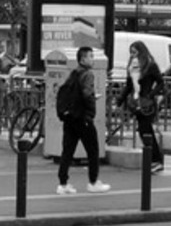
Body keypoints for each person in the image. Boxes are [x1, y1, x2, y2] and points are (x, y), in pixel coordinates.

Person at [56, 45, 109, 195]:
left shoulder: (73, 73)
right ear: (83, 59)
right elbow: (86, 94)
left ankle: (63, 183)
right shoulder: (88, 74)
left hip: (70, 117)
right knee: (93, 150)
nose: (93, 59)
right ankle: (93, 182)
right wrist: (90, 112)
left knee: (67, 151)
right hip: (82, 118)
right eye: (90, 56)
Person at [118, 39, 165, 174]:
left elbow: (161, 83)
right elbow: (128, 86)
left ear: (141, 51)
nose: (132, 55)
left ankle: (156, 160)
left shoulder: (150, 65)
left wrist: (151, 95)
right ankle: (155, 160)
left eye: (134, 52)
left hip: (147, 104)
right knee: (144, 131)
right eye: (131, 53)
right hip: (136, 102)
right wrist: (120, 99)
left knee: (146, 131)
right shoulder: (132, 67)